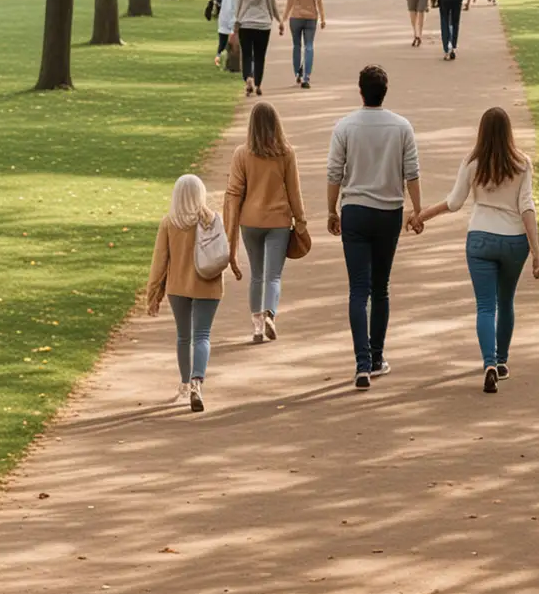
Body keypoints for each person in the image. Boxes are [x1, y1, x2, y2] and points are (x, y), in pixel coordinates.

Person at [418, 107, 539, 393]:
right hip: (514, 241)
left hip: (480, 239)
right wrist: (537, 253)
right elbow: (527, 207)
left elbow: (454, 202)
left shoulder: (473, 161)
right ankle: (501, 361)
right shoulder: (522, 163)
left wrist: (422, 215)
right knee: (506, 301)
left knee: (486, 306)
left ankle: (488, 362)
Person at [327, 63, 422, 389]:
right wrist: (418, 210)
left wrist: (330, 210)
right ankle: (377, 356)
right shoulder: (401, 127)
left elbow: (333, 174)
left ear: (360, 91)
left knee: (358, 289)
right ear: (384, 91)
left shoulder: (345, 127)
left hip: (354, 210)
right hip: (387, 211)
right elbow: (412, 173)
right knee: (380, 288)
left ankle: (362, 363)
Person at [146, 172, 238, 413]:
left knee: (183, 336)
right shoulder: (211, 219)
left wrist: (153, 294)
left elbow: (159, 262)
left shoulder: (169, 223)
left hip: (177, 287)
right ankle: (198, 381)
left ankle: (185, 383)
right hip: (207, 284)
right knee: (202, 335)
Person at [225, 102, 310, 344]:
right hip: (278, 221)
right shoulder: (286, 153)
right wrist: (301, 220)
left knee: (257, 276)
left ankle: (256, 327)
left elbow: (234, 191)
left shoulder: (241, 154)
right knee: (273, 276)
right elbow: (294, 191)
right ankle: (270, 313)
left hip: (250, 222)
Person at [284, 0, 326, 87]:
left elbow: (290, 1)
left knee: (296, 45)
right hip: (311, 18)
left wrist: (283, 18)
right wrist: (323, 18)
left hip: (295, 17)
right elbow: (319, 2)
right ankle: (306, 76)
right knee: (309, 46)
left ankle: (297, 73)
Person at [236, 0, 279, 96]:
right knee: (260, 56)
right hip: (263, 26)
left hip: (246, 24)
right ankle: (258, 84)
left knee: (247, 55)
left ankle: (248, 77)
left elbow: (238, 7)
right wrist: (280, 21)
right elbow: (273, 8)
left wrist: (237, 22)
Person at [215, 0, 239, 66]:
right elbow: (231, 9)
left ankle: (218, 59)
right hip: (229, 22)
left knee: (222, 43)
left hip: (223, 22)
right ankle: (223, 60)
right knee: (228, 44)